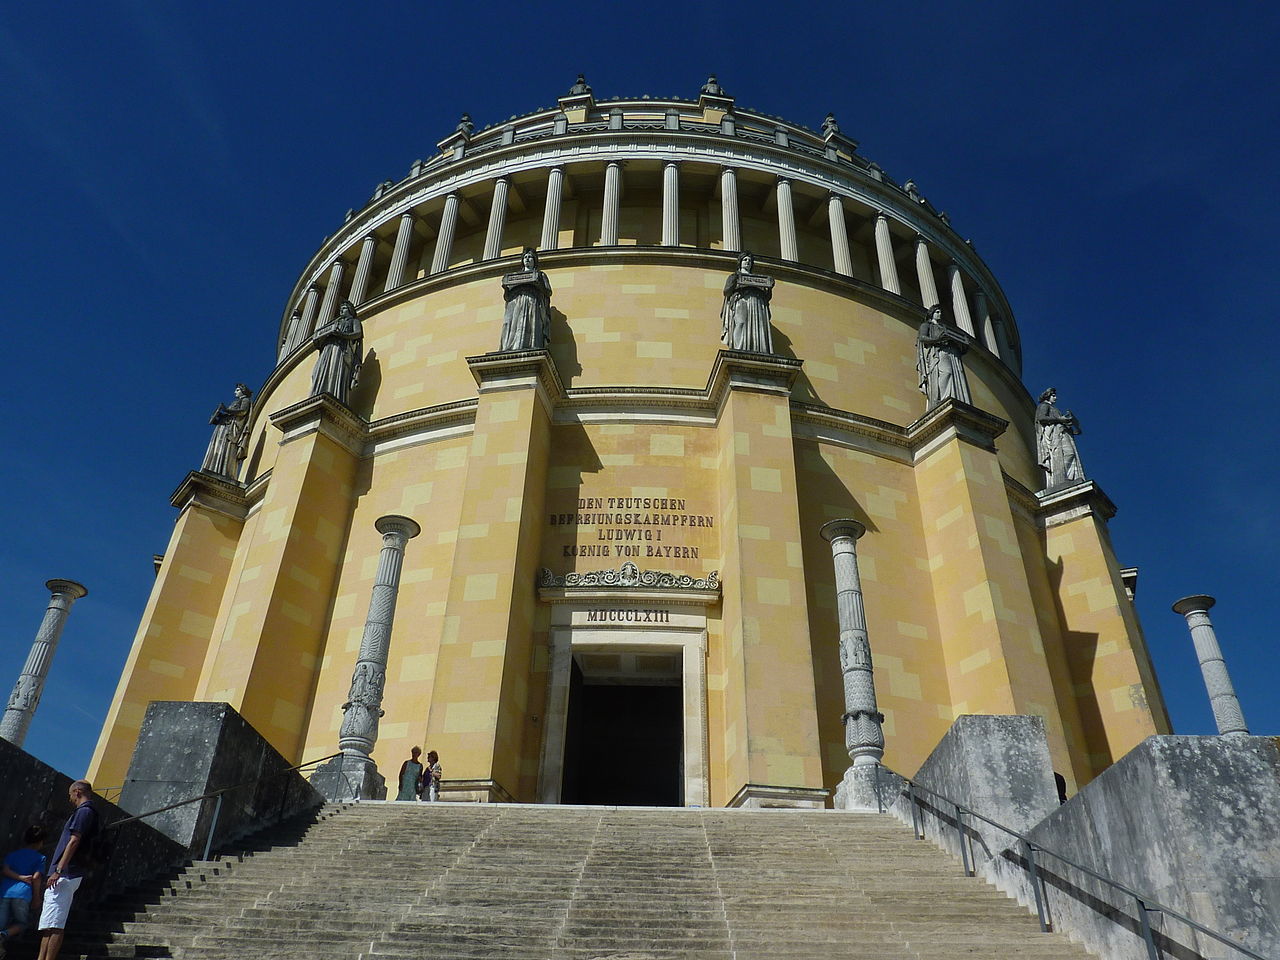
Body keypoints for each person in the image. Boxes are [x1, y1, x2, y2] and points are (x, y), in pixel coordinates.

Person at [37, 780, 97, 960]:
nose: (70, 798)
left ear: (77, 792)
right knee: (49, 923)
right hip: (67, 873)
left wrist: (59, 870)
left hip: (66, 873)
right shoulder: (87, 812)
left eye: (70, 794)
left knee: (55, 924)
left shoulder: (84, 812)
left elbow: (74, 840)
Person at [0, 824, 47, 951]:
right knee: (22, 923)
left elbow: (5, 870)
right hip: (23, 893)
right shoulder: (40, 858)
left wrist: (19, 877)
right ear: (40, 842)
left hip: (5, 891)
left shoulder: (13, 854)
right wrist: (37, 898)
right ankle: (3, 935)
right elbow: (37, 877)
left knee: (1, 922)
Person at [915, 305, 971, 409]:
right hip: (938, 352)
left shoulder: (944, 328)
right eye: (937, 312)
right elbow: (922, 338)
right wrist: (937, 340)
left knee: (955, 374)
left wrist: (962, 345)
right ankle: (942, 399)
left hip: (951, 353)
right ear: (932, 314)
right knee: (946, 373)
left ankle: (954, 397)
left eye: (940, 312)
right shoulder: (926, 325)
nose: (940, 314)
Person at [497, 249, 552, 352]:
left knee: (531, 325)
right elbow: (507, 297)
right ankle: (511, 347)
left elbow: (548, 292)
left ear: (534, 260)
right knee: (512, 325)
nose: (527, 259)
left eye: (530, 257)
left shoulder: (540, 275)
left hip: (532, 301)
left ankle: (531, 346)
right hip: (516, 303)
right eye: (525, 257)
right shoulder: (514, 276)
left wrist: (538, 284)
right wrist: (505, 288)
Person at [309, 300, 363, 405]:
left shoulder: (354, 321)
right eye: (341, 309)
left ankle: (335, 396)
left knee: (335, 370)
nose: (341, 311)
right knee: (320, 371)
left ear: (350, 310)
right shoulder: (336, 322)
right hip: (328, 349)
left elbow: (357, 334)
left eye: (344, 308)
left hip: (341, 349)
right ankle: (318, 393)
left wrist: (341, 335)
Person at [720, 252, 775, 354]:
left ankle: (759, 350)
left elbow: (767, 297)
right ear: (740, 262)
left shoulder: (760, 279)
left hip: (756, 303)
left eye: (750, 261)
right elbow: (726, 291)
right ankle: (738, 348)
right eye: (745, 260)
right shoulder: (734, 276)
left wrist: (770, 288)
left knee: (758, 328)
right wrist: (734, 282)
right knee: (740, 323)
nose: (747, 262)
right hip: (741, 301)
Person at [1034, 388, 1085, 490]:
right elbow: (1041, 418)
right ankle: (1061, 479)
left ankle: (1069, 478)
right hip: (1055, 434)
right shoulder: (1044, 406)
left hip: (1063, 432)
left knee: (1070, 454)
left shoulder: (1054, 408)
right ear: (1047, 396)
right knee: (1062, 455)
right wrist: (1060, 419)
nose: (1055, 398)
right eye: (1053, 396)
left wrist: (1073, 428)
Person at [200, 383, 252, 478]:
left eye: (237, 390)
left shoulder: (245, 400)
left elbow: (243, 411)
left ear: (243, 391)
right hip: (222, 427)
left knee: (225, 448)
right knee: (217, 447)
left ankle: (223, 472)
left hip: (230, 429)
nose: (235, 392)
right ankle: (214, 468)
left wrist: (226, 410)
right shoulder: (235, 402)